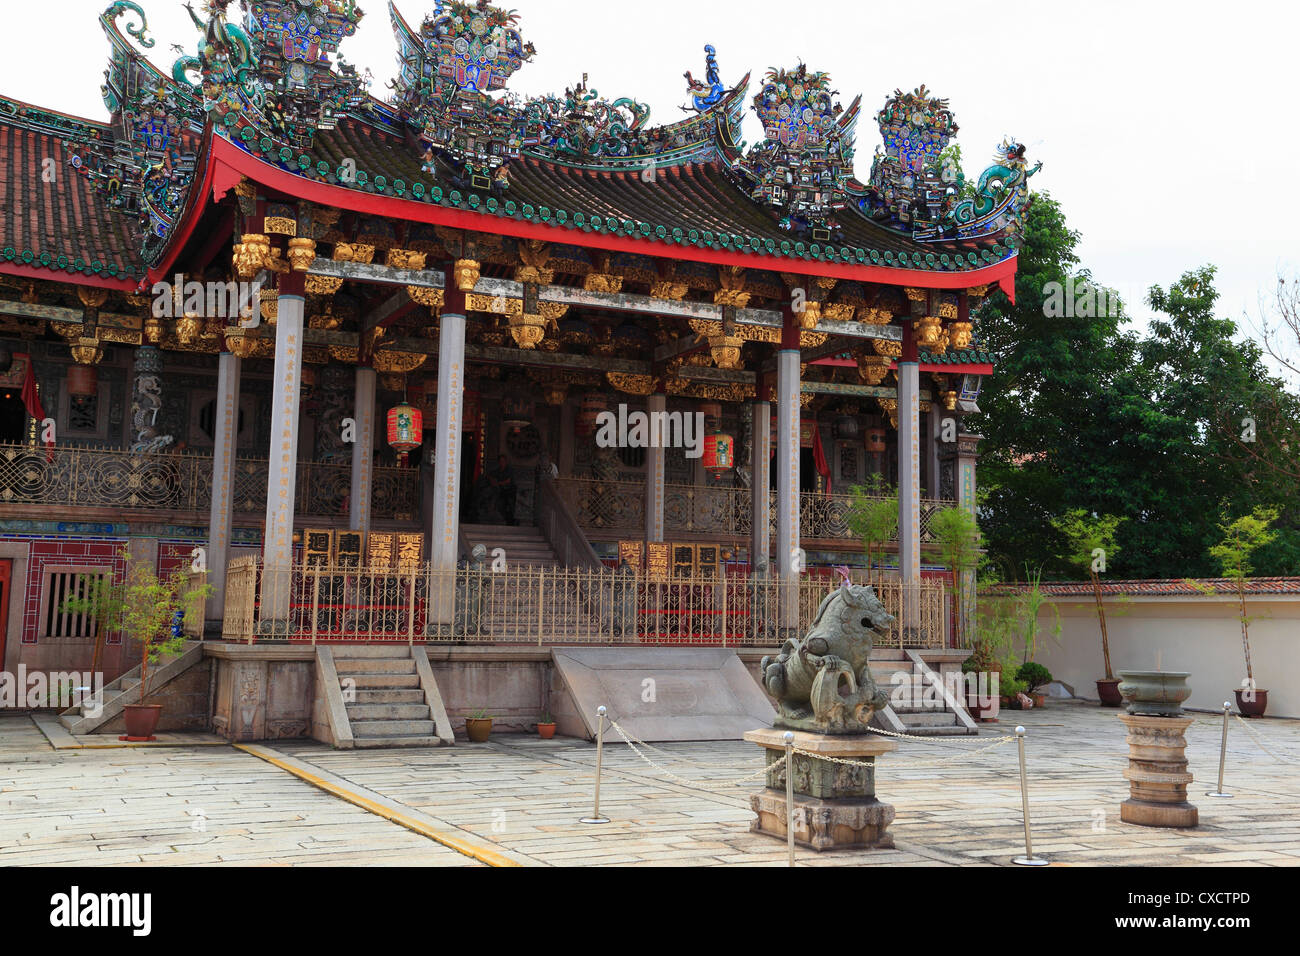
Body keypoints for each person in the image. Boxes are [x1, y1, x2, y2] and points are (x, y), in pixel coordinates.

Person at [488, 454, 516, 525]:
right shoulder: (498, 470)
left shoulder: (509, 470)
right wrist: (492, 480)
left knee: (507, 505)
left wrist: (499, 483)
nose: (502, 462)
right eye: (500, 461)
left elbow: (508, 481)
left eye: (503, 461)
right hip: (500, 491)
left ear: (506, 461)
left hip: (509, 491)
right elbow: (490, 475)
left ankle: (509, 520)